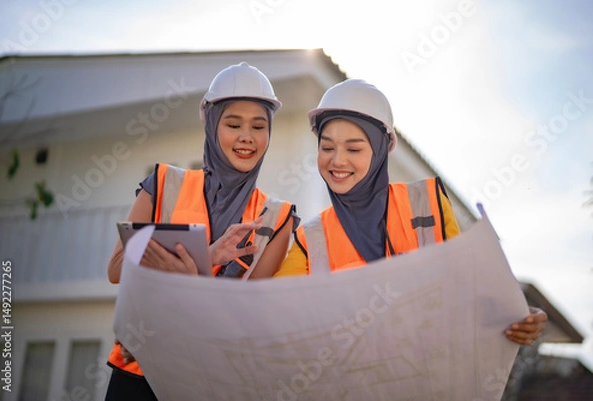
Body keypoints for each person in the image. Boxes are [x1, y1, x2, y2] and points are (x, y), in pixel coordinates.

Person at [275, 78, 547, 346]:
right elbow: (271, 314)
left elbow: (469, 289)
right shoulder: (310, 238)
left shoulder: (427, 207)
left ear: (380, 152)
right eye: (327, 147)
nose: (337, 160)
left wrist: (517, 317)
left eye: (354, 148)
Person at [104, 62, 298, 400]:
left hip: (210, 379)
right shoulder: (164, 184)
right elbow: (117, 269)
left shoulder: (277, 218)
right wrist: (206, 257)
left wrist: (192, 274)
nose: (246, 137)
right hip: (137, 372)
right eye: (233, 123)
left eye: (259, 125)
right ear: (211, 124)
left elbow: (247, 320)